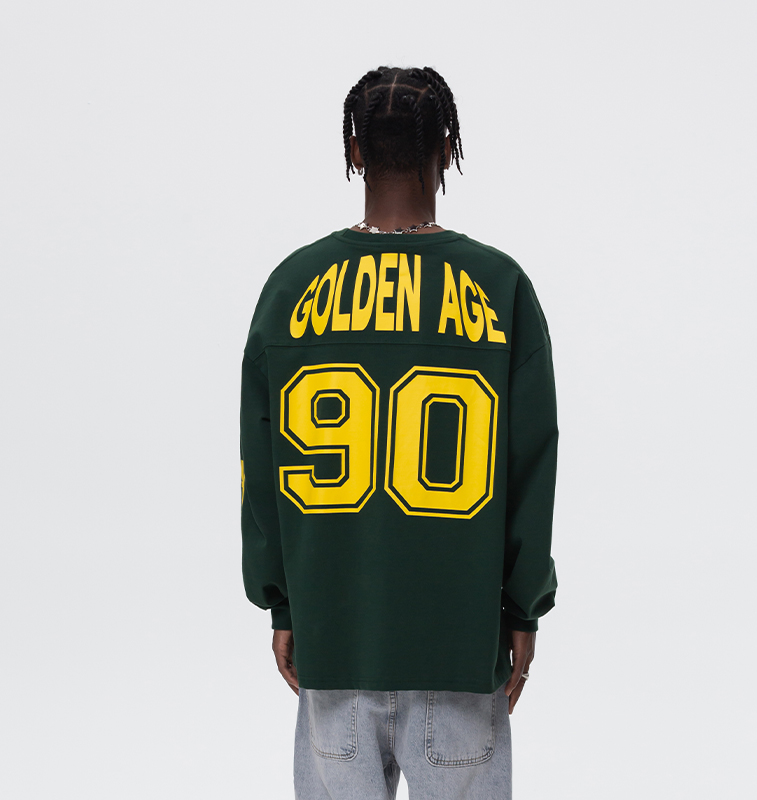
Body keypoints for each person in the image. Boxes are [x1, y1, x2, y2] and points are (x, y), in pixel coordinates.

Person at [240, 65, 559, 800]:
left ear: (354, 150)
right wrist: (522, 608)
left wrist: (283, 605)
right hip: (460, 647)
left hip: (335, 640)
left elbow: (262, 464)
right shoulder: (498, 286)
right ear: (446, 148)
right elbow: (530, 465)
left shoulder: (292, 286)